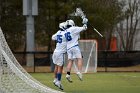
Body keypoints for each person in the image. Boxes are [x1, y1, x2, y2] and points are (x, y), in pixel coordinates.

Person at [65, 18, 88, 82]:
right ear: (72, 24)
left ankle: (68, 74)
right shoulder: (74, 28)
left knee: (70, 61)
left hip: (68, 48)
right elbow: (84, 28)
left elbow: (77, 36)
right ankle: (79, 72)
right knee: (79, 59)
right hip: (74, 46)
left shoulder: (66, 31)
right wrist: (85, 22)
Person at [52, 22, 67, 90]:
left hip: (55, 52)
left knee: (56, 66)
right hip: (60, 53)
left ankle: (55, 79)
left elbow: (53, 37)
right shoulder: (65, 33)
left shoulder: (58, 32)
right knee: (60, 68)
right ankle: (58, 81)